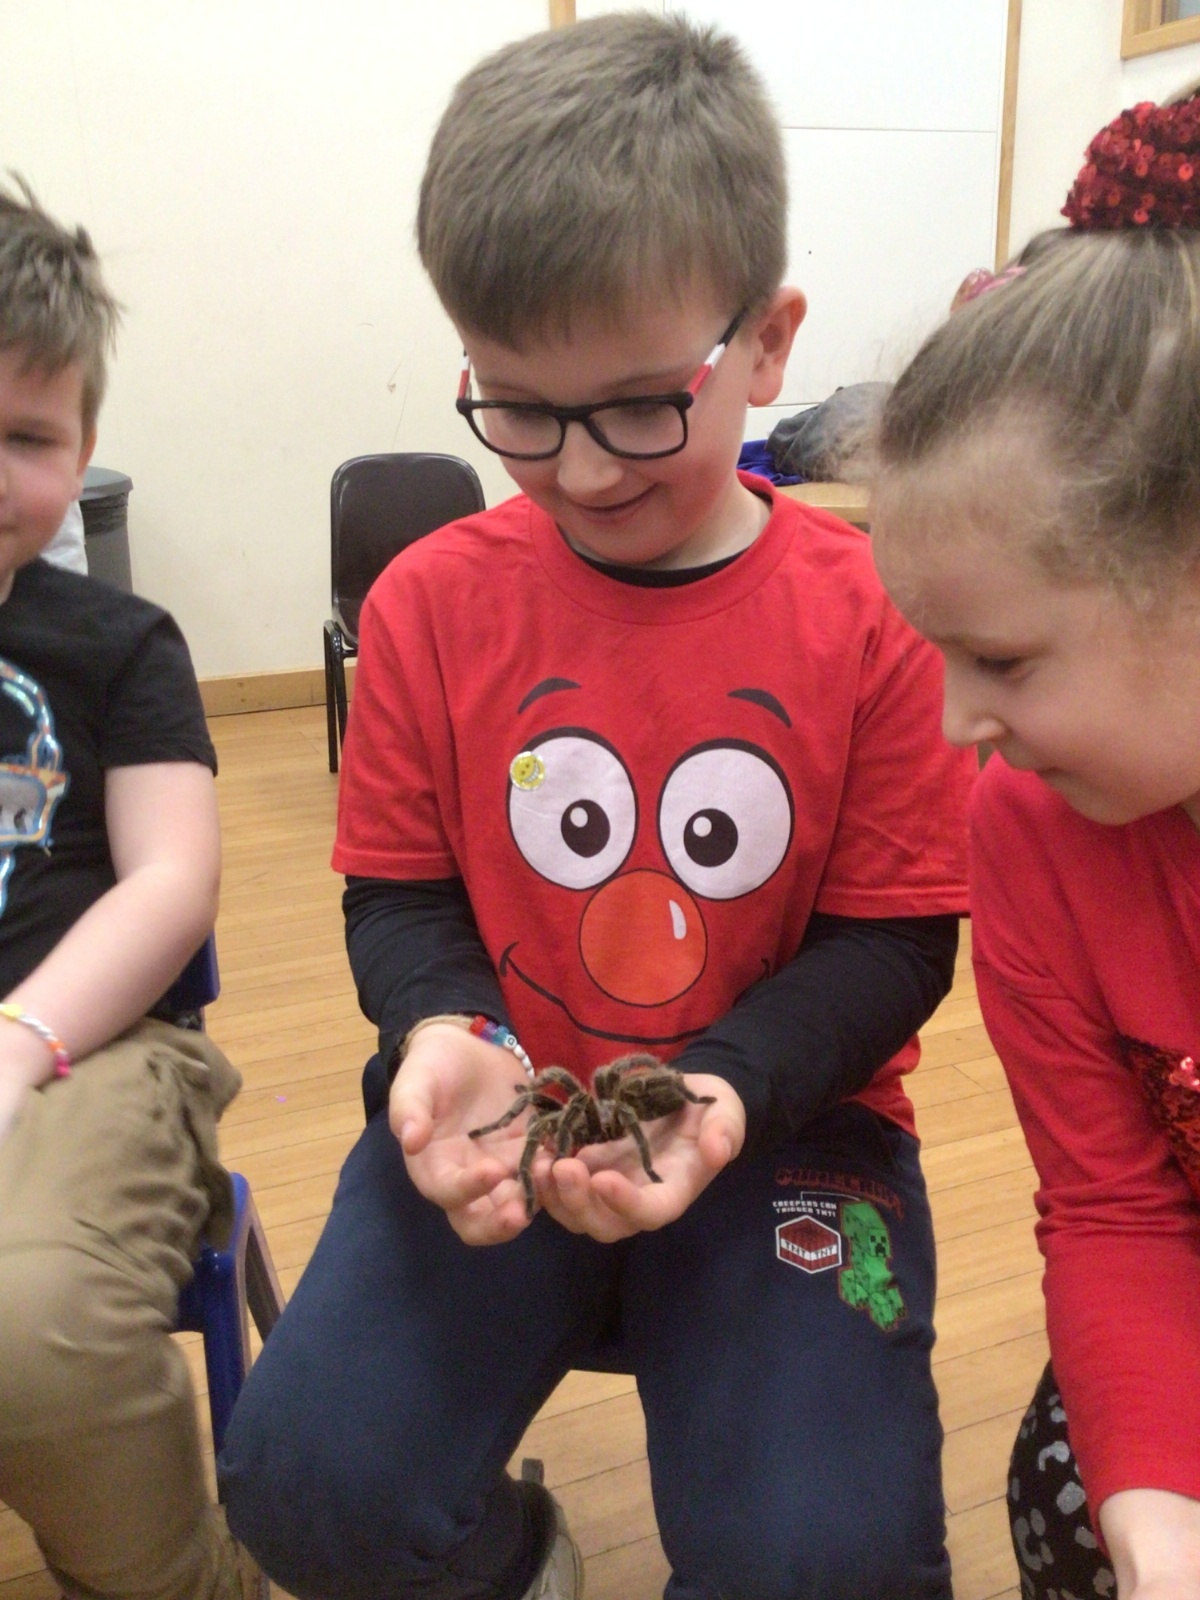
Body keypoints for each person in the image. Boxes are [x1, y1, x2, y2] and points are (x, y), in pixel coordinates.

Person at [220, 16, 974, 1600]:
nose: (577, 472)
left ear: (767, 345)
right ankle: (519, 1560)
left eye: (639, 407)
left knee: (823, 1568)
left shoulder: (877, 615)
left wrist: (725, 1091)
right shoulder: (429, 605)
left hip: (788, 1125)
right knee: (305, 1486)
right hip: (509, 1105)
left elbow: (898, 941)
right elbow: (400, 896)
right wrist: (443, 1026)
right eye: (516, 409)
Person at [868, 89, 1200, 1600]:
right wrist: (1160, 1530)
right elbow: (1117, 1207)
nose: (956, 723)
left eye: (1001, 660)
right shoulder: (1033, 827)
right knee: (1073, 1500)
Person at [0, 181, 251, 1600]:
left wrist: (20, 1042)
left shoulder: (117, 643)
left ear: (82, 451)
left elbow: (170, 881)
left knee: (30, 1321)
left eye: (27, 438)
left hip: (88, 1052)